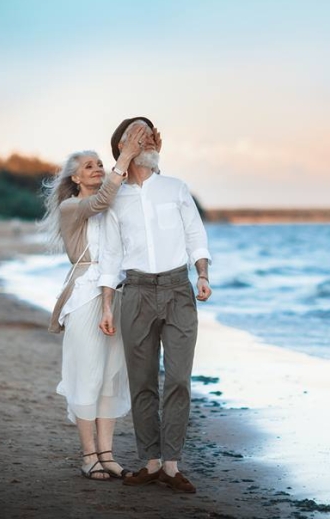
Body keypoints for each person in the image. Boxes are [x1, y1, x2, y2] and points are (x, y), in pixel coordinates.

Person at [99, 117, 212, 494]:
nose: (148, 138)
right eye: (138, 135)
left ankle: (171, 465)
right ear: (123, 146)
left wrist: (203, 274)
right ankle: (150, 462)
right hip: (136, 293)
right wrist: (107, 305)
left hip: (179, 289)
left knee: (179, 379)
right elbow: (111, 254)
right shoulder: (114, 197)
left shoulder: (176, 188)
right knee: (142, 381)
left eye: (150, 134)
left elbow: (196, 234)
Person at [40, 124, 155, 481]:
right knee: (87, 375)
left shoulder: (111, 199)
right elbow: (102, 200)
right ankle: (88, 455)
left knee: (111, 377)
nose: (98, 168)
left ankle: (107, 454)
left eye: (100, 163)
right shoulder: (73, 207)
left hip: (119, 292)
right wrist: (124, 155)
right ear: (75, 178)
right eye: (89, 166)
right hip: (87, 295)